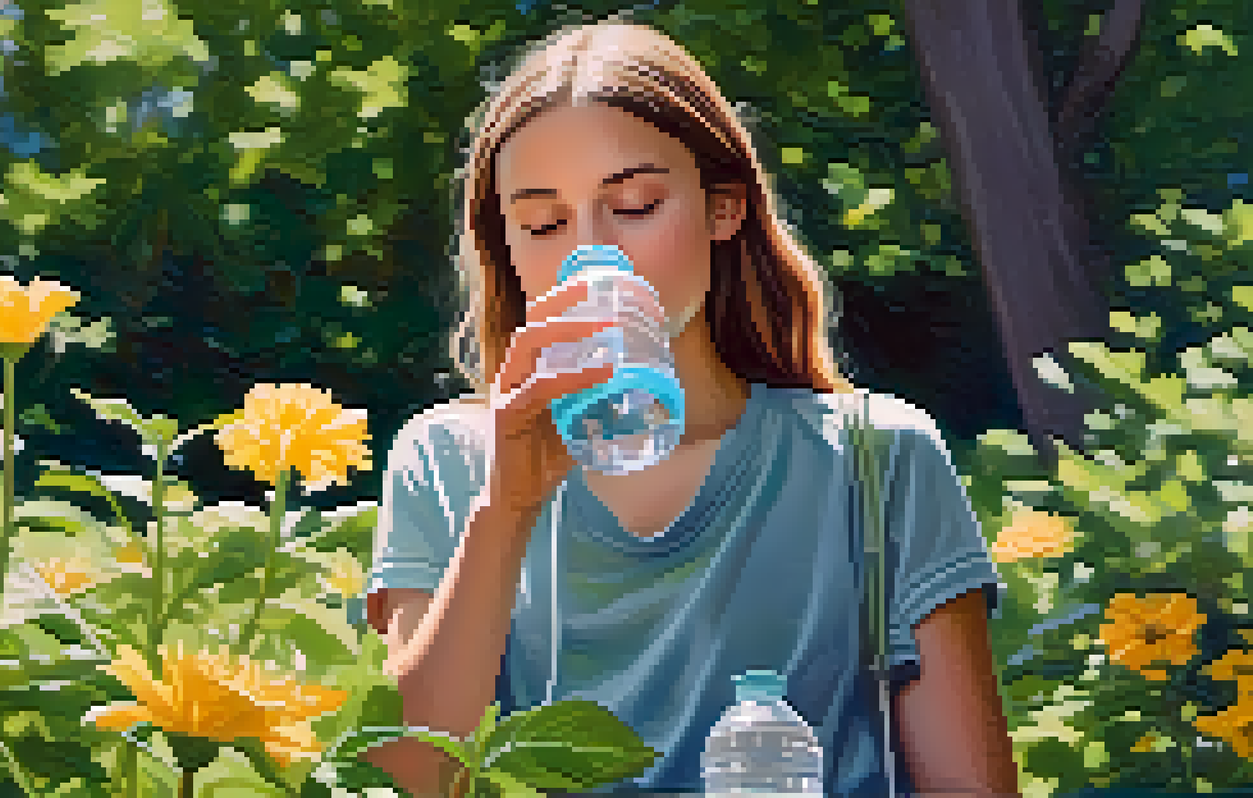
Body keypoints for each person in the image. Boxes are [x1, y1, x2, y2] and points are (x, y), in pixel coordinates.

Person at [358, 14, 1018, 798]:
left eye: (634, 205)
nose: (587, 254)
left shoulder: (879, 460)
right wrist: (506, 509)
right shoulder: (450, 461)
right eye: (542, 222)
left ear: (722, 208)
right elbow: (413, 780)